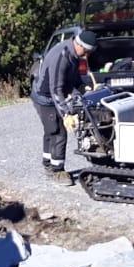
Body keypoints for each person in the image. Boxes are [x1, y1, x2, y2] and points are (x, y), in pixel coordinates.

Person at [30, 30, 98, 186]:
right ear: (80, 45)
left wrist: (84, 87)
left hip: (50, 95)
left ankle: (47, 164)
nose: (87, 55)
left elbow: (73, 79)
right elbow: (56, 89)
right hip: (45, 98)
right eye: (87, 51)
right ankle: (57, 171)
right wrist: (66, 114)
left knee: (50, 130)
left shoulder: (73, 54)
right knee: (58, 132)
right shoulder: (62, 57)